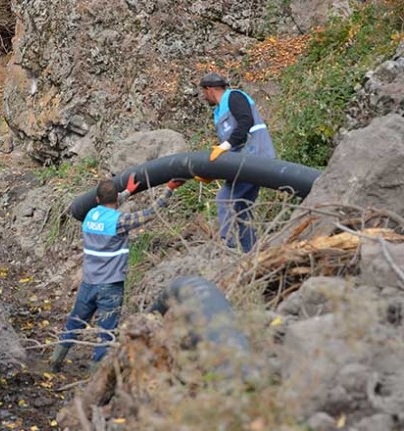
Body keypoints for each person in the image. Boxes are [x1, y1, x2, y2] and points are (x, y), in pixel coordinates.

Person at [49, 174, 186, 372]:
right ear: (114, 200)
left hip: (88, 283)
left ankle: (54, 362)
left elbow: (109, 205)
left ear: (96, 200)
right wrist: (169, 189)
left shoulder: (90, 216)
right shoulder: (120, 222)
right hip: (111, 286)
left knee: (74, 323)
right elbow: (150, 213)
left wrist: (128, 192)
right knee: (106, 333)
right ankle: (95, 376)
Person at [199, 72, 276, 253]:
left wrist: (224, 146)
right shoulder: (219, 111)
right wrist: (212, 172)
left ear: (209, 90)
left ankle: (228, 245)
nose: (204, 97)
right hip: (244, 161)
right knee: (242, 208)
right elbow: (233, 147)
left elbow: (245, 122)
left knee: (224, 199)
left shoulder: (234, 97)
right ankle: (251, 253)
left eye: (204, 93)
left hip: (255, 158)